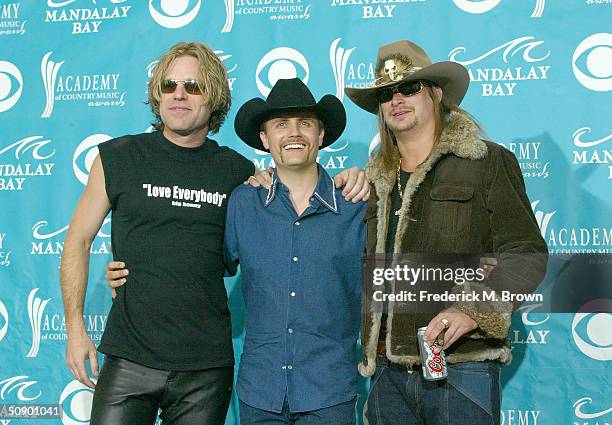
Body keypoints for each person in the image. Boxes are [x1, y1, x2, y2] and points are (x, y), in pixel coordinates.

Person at [60, 41, 367, 425]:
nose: (179, 95)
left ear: (214, 97)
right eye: (169, 85)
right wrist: (76, 327)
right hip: (129, 357)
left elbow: (243, 240)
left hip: (206, 369)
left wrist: (359, 177)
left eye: (193, 86)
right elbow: (77, 240)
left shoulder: (239, 176)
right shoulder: (116, 158)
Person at [345, 40, 548, 424]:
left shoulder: (486, 162)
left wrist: (474, 309)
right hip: (387, 372)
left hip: (461, 368)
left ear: (436, 93)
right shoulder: (375, 180)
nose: (397, 99)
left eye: (409, 87)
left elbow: (526, 252)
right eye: (387, 93)